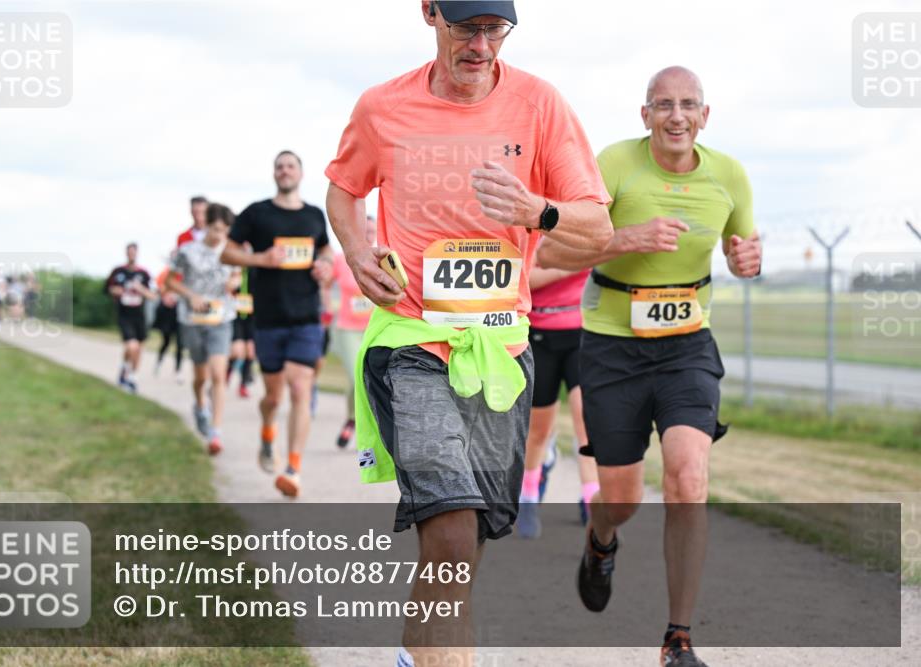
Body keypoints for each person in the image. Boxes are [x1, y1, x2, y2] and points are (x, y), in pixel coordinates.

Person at [325, 2, 613, 663]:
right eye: (465, 27)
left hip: (502, 352)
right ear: (429, 12)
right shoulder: (382, 108)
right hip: (412, 341)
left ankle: (416, 654)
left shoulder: (541, 106)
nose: (481, 44)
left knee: (470, 537)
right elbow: (343, 191)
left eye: (495, 28)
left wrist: (538, 210)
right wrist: (357, 253)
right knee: (451, 530)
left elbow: (596, 226)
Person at [539, 65, 763, 667]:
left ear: (705, 116)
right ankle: (600, 540)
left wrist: (748, 261)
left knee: (689, 481)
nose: (676, 116)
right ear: (645, 115)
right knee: (625, 499)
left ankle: (678, 638)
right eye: (663, 104)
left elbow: (745, 254)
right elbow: (551, 247)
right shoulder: (613, 163)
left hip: (689, 345)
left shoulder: (730, 175)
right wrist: (624, 238)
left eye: (689, 104)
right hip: (613, 347)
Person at [221, 150, 333, 498]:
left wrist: (325, 267)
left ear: (301, 173)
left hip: (306, 316)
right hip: (268, 317)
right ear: (274, 174)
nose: (285, 171)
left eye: (291, 166)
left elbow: (326, 252)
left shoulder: (315, 215)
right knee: (273, 396)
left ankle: (293, 468)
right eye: (280, 166)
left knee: (300, 387)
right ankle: (268, 429)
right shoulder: (256, 213)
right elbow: (227, 252)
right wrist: (260, 258)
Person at [514, 247, 599, 539]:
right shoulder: (533, 224)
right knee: (539, 432)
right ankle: (528, 498)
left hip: (582, 335)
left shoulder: (587, 221)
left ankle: (594, 507)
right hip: (539, 334)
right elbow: (523, 279)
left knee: (587, 425)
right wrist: (575, 262)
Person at [166, 203, 241, 455]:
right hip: (192, 319)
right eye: (216, 229)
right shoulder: (187, 251)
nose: (220, 235)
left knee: (219, 374)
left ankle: (215, 432)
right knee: (201, 377)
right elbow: (169, 282)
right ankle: (200, 406)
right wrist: (190, 296)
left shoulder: (232, 252)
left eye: (225, 231)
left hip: (222, 319)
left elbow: (238, 275)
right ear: (207, 225)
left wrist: (234, 281)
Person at [330, 214, 378, 448]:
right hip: (348, 329)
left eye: (372, 231)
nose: (368, 235)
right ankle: (364, 428)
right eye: (364, 231)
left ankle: (351, 420)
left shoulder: (384, 259)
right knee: (357, 375)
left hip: (375, 329)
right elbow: (324, 281)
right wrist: (326, 303)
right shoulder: (341, 259)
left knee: (363, 378)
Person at [105, 243, 157, 393]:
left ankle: (131, 375)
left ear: (137, 254)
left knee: (138, 348)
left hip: (139, 315)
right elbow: (108, 288)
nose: (131, 255)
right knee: (131, 346)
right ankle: (126, 371)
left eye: (134, 253)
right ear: (126, 253)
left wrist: (140, 289)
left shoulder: (144, 274)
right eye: (129, 253)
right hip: (124, 314)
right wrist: (116, 291)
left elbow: (153, 295)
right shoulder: (118, 271)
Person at [227, 258, 257, 399]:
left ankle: (243, 385)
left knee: (250, 353)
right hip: (236, 316)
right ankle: (225, 376)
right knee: (237, 352)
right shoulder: (233, 270)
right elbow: (227, 289)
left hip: (252, 317)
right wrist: (234, 278)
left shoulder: (256, 270)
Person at [153, 264, 184, 383]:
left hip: (180, 312)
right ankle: (159, 363)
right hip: (167, 312)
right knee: (166, 341)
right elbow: (160, 287)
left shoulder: (186, 273)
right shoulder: (166, 272)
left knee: (180, 344)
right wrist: (166, 295)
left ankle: (178, 371)